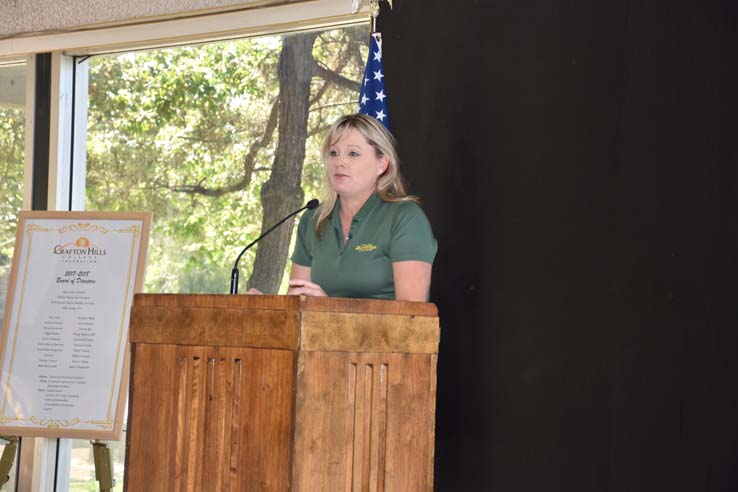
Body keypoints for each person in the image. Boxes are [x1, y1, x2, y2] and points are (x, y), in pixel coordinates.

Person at [285, 113, 437, 301]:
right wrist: (265, 306)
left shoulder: (405, 218)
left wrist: (329, 309)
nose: (339, 162)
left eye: (353, 154)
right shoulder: (312, 219)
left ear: (381, 164)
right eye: (333, 153)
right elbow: (297, 305)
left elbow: (410, 318)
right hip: (318, 331)